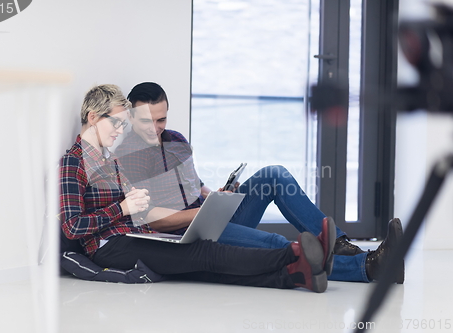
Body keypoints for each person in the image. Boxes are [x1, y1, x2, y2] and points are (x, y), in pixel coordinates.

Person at [115, 82, 405, 284]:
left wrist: (215, 196)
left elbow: (195, 185)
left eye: (161, 119)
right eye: (146, 122)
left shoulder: (176, 140)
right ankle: (369, 267)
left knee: (274, 174)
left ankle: (341, 246)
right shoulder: (128, 157)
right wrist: (203, 213)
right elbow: (150, 220)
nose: (156, 129)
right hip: (186, 236)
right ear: (130, 115)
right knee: (275, 243)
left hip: (209, 216)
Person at [59, 84, 337, 293]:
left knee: (203, 267)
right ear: (93, 117)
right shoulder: (74, 162)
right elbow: (72, 227)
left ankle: (295, 275)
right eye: (116, 123)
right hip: (110, 244)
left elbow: (147, 206)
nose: (119, 130)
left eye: (122, 123)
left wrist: (210, 197)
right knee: (204, 254)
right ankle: (297, 255)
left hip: (138, 233)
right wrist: (122, 207)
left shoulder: (111, 161)